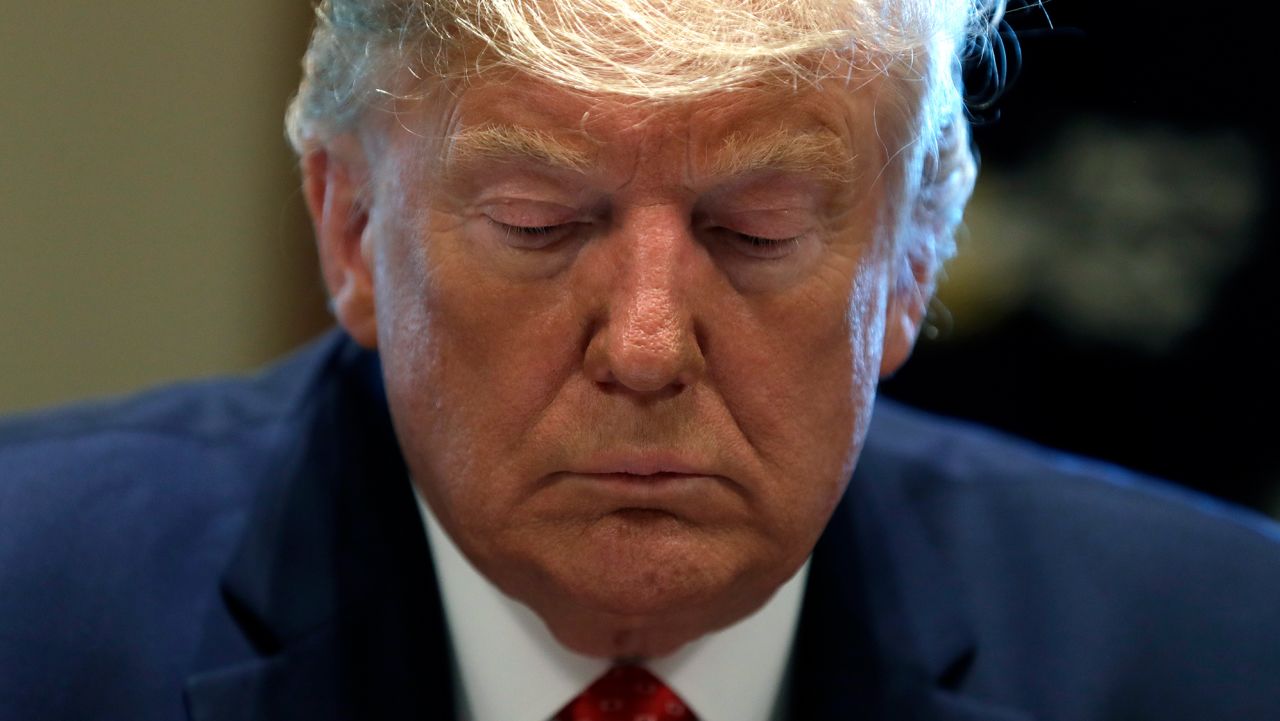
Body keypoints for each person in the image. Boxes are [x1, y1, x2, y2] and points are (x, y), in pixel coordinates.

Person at [2, 1, 1279, 720]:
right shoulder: (32, 615)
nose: (648, 344)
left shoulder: (1223, 657)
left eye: (753, 232)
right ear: (348, 229)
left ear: (912, 265)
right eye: (539, 228)